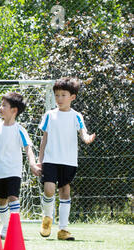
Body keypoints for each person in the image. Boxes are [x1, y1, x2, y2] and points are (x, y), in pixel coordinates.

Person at [38, 77, 95, 240]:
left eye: (63, 95)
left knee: (65, 192)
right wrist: (40, 160)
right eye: (57, 95)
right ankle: (47, 218)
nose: (59, 98)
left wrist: (87, 138)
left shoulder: (77, 116)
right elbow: (44, 138)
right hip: (50, 160)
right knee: (49, 190)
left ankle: (63, 230)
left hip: (69, 161)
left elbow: (83, 132)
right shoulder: (49, 115)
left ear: (72, 97)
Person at [0, 92, 41, 239]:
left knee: (13, 197)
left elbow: (28, 148)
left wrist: (32, 164)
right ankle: (6, 226)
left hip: (13, 171)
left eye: (4, 105)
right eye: (1, 105)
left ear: (14, 110)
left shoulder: (20, 129)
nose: (1, 108)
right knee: (1, 201)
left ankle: (13, 227)